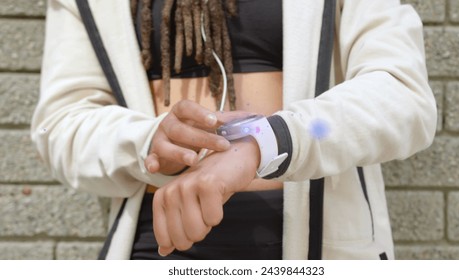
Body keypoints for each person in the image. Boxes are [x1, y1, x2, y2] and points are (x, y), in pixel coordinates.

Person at [31, 0, 437, 260]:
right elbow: (63, 124)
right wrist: (148, 142)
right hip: (158, 246)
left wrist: (267, 141)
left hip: (317, 250)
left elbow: (402, 97)